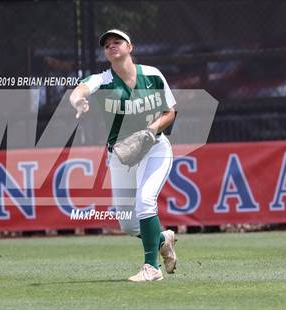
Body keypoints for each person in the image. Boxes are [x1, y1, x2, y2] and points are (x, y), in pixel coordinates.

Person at [69, 29, 177, 282]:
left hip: (155, 149)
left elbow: (170, 112)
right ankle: (163, 239)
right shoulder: (104, 80)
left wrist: (151, 130)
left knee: (145, 201)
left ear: (131, 47)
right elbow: (82, 89)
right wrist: (77, 101)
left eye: (117, 42)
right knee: (128, 224)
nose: (111, 46)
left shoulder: (152, 75)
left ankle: (151, 268)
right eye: (106, 45)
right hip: (122, 155)